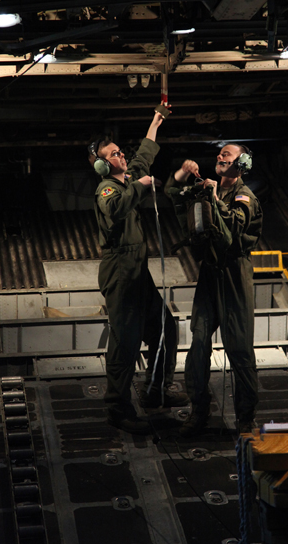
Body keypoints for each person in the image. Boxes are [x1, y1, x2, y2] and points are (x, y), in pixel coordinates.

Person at [89, 110, 188, 435]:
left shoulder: (128, 179)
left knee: (165, 328)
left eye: (120, 151)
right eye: (114, 154)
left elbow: (144, 157)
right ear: (103, 165)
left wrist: (156, 121)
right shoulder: (107, 190)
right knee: (125, 343)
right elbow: (118, 209)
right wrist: (142, 186)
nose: (121, 156)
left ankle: (156, 391)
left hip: (138, 273)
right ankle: (117, 409)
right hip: (121, 273)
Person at [166, 143, 263, 436]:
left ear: (242, 163)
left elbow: (234, 225)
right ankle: (198, 411)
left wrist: (212, 196)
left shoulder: (245, 196)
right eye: (219, 154)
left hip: (235, 275)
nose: (220, 157)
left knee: (240, 351)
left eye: (227, 154)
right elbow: (173, 196)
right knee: (198, 345)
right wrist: (182, 173)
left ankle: (246, 419)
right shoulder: (207, 190)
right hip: (210, 274)